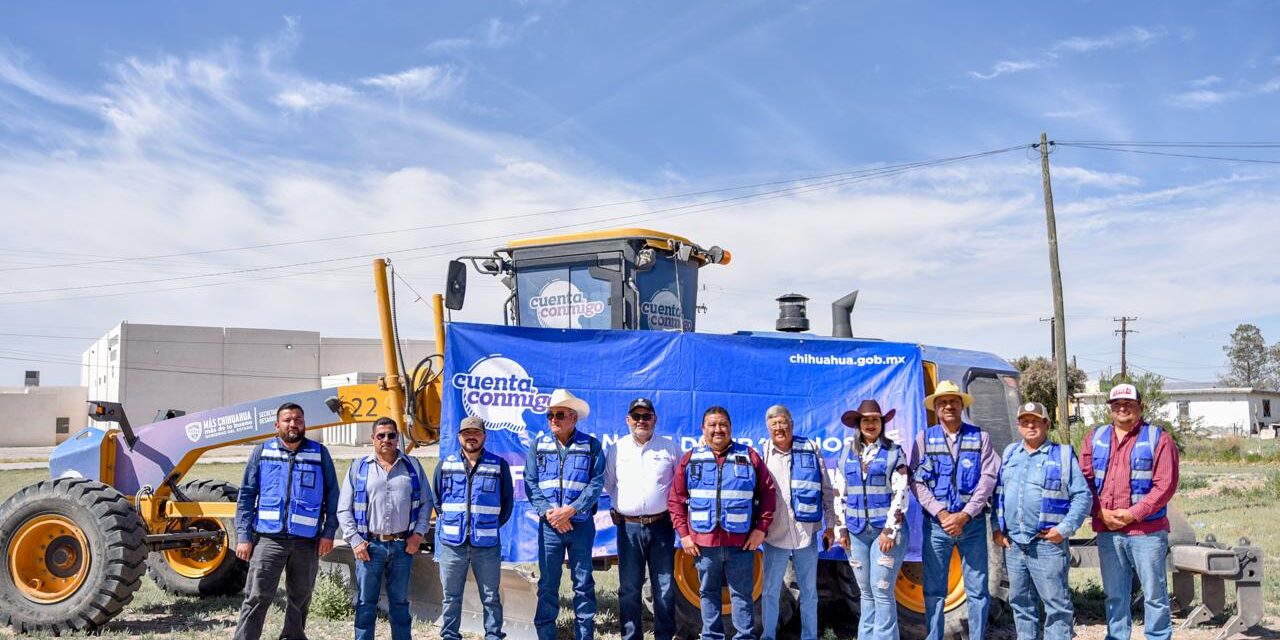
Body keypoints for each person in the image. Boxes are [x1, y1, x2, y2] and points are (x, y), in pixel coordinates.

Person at [1080, 383, 1179, 640]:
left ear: (1141, 407)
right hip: (1108, 531)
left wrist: (1133, 514)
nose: (1123, 409)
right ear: (1111, 409)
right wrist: (1099, 512)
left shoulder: (1159, 438)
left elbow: (1165, 486)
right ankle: (1117, 636)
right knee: (1114, 594)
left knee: (1154, 594)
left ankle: (1158, 637)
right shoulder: (1095, 437)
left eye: (1129, 404)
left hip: (1146, 532)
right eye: (1117, 405)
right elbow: (1084, 482)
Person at [232, 402, 339, 640]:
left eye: (298, 420)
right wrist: (244, 536)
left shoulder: (319, 453)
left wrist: (329, 532)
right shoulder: (262, 452)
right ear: (277, 425)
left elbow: (333, 495)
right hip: (269, 540)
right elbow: (247, 496)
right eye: (288, 420)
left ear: (304, 423)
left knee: (300, 599)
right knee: (257, 597)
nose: (293, 424)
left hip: (306, 542)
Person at [669, 406, 777, 640]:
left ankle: (744, 637)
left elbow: (769, 493)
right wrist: (684, 536)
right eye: (712, 425)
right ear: (703, 429)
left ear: (730, 428)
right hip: (703, 545)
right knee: (707, 593)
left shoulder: (749, 457)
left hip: (740, 545)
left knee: (741, 595)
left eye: (723, 425)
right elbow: (675, 499)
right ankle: (711, 637)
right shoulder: (691, 459)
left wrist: (760, 529)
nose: (718, 430)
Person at [991, 402, 1092, 640]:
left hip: (1047, 544)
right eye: (1025, 421)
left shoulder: (1063, 455)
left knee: (1056, 606)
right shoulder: (1010, 453)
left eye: (1036, 421)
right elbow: (998, 493)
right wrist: (997, 529)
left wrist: (1064, 529)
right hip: (1015, 544)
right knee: (1021, 604)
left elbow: (1082, 496)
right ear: (1019, 426)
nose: (1030, 425)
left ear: (1046, 424)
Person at [910, 380, 999, 640]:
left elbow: (988, 478)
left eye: (953, 401)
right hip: (938, 526)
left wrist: (966, 514)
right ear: (936, 409)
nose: (948, 406)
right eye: (943, 402)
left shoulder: (980, 437)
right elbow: (916, 481)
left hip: (971, 525)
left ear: (961, 405)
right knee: (934, 590)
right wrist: (942, 513)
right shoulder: (923, 439)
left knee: (978, 590)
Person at [336, 417, 433, 640]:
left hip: (402, 547)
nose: (386, 439)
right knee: (366, 604)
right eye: (381, 435)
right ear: (373, 439)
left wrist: (418, 535)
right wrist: (355, 541)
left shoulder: (413, 466)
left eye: (391, 435)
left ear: (397, 438)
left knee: (399, 603)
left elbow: (427, 502)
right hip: (369, 547)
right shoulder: (358, 468)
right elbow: (343, 509)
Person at [524, 389, 606, 640]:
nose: (553, 420)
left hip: (580, 525)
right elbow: (530, 483)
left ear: (573, 417)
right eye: (550, 415)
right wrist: (550, 513)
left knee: (583, 584)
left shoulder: (591, 445)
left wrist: (571, 511)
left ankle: (584, 636)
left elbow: (596, 483)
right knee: (548, 585)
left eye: (559, 415)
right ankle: (546, 636)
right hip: (550, 527)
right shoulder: (538, 446)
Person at [604, 398, 681, 640]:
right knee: (629, 589)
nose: (641, 421)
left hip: (662, 526)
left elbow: (680, 484)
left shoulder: (669, 447)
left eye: (646, 416)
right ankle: (631, 637)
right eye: (636, 417)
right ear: (628, 420)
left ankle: (664, 636)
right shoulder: (617, 449)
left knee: (665, 588)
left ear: (654, 420)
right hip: (629, 528)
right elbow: (608, 484)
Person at [834, 400, 911, 640]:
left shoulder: (894, 452)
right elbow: (839, 491)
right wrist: (841, 529)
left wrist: (891, 530)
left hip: (884, 533)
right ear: (858, 424)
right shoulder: (847, 453)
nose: (870, 424)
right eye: (865, 420)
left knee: (882, 590)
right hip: (855, 532)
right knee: (865, 593)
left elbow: (901, 492)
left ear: (882, 423)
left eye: (875, 420)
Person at [434, 416, 515, 640]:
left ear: (484, 436)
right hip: (452, 544)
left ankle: (493, 635)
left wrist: (486, 526)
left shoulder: (499, 465)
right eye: (467, 432)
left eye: (476, 432)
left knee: (490, 596)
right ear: (459, 436)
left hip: (486, 545)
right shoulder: (445, 464)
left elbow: (507, 503)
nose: (471, 436)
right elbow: (437, 499)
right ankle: (450, 635)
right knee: (451, 596)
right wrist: (454, 523)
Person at [759, 405, 835, 640]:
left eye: (783, 423)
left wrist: (830, 526)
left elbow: (826, 489)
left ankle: (809, 636)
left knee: (810, 592)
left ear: (792, 424)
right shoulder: (762, 453)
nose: (779, 428)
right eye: (774, 424)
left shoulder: (810, 448)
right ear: (768, 427)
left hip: (806, 533)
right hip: (775, 534)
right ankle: (768, 636)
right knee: (770, 591)